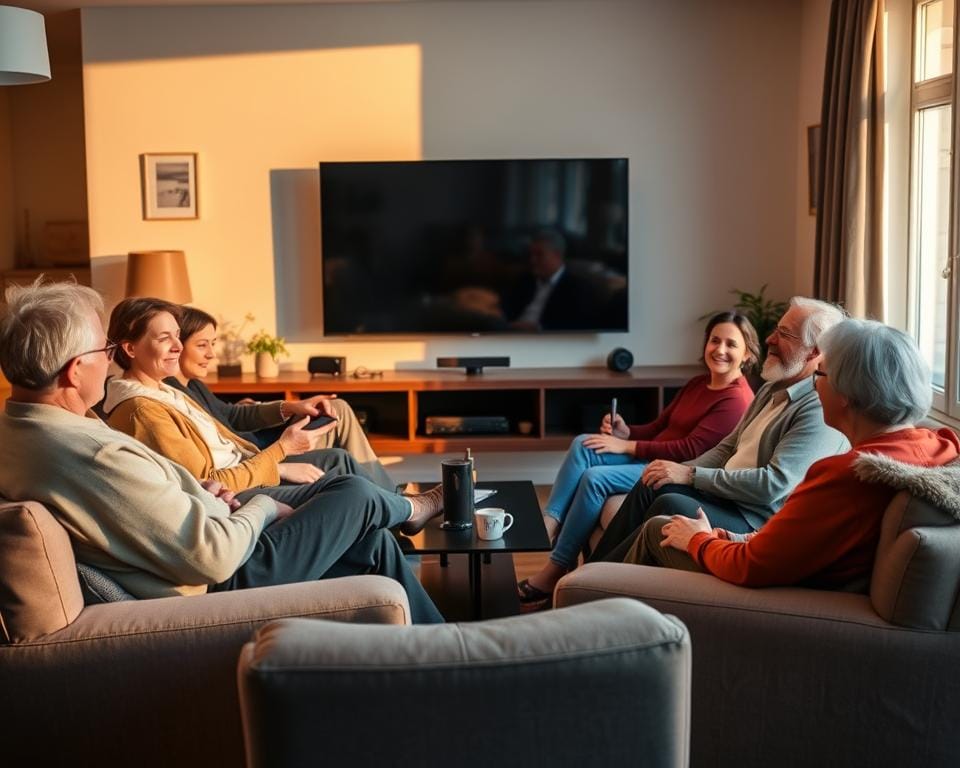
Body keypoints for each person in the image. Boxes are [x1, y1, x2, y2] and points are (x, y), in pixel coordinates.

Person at [0, 281, 443, 623]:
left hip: (212, 533)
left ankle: (437, 649)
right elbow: (211, 557)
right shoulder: (95, 450)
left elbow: (160, 499)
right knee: (353, 493)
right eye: (106, 349)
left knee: (372, 539)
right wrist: (264, 507)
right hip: (223, 582)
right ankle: (409, 511)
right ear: (77, 370)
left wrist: (206, 494)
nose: (110, 357)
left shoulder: (22, 430)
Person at [628, 318, 959, 590]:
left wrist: (700, 541)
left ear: (847, 394)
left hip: (789, 601)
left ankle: (594, 601)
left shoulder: (843, 476)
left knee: (661, 529)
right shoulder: (941, 445)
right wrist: (723, 536)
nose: (815, 385)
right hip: (801, 573)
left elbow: (751, 566)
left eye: (820, 374)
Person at [516, 311, 759, 607]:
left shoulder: (736, 400)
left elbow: (690, 450)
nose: (720, 350)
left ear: (747, 354)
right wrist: (626, 430)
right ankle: (549, 523)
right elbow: (660, 427)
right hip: (652, 456)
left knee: (594, 479)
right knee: (584, 444)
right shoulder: (698, 384)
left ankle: (556, 567)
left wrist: (627, 446)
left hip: (673, 470)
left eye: (731, 344)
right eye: (714, 341)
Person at [590, 296, 851, 563]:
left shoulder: (817, 407)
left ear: (813, 351)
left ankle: (598, 583)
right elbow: (728, 446)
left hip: (754, 519)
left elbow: (774, 485)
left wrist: (690, 475)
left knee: (668, 504)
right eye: (776, 329)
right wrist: (676, 472)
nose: (770, 339)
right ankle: (590, 573)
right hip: (726, 497)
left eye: (784, 334)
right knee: (653, 483)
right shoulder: (772, 387)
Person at [164, 305, 394, 490]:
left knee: (336, 408)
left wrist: (292, 406)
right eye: (202, 345)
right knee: (338, 453)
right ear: (177, 346)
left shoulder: (193, 384)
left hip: (261, 447)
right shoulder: (174, 397)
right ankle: (397, 504)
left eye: (212, 344)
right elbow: (221, 451)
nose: (211, 354)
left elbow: (230, 414)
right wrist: (281, 448)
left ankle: (391, 498)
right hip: (258, 458)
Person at [503, 229, 599, 331]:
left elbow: (578, 326)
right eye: (531, 255)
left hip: (547, 340)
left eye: (539, 255)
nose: (532, 260)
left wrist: (539, 329)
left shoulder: (578, 288)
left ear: (557, 256)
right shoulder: (524, 280)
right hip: (511, 334)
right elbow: (506, 310)